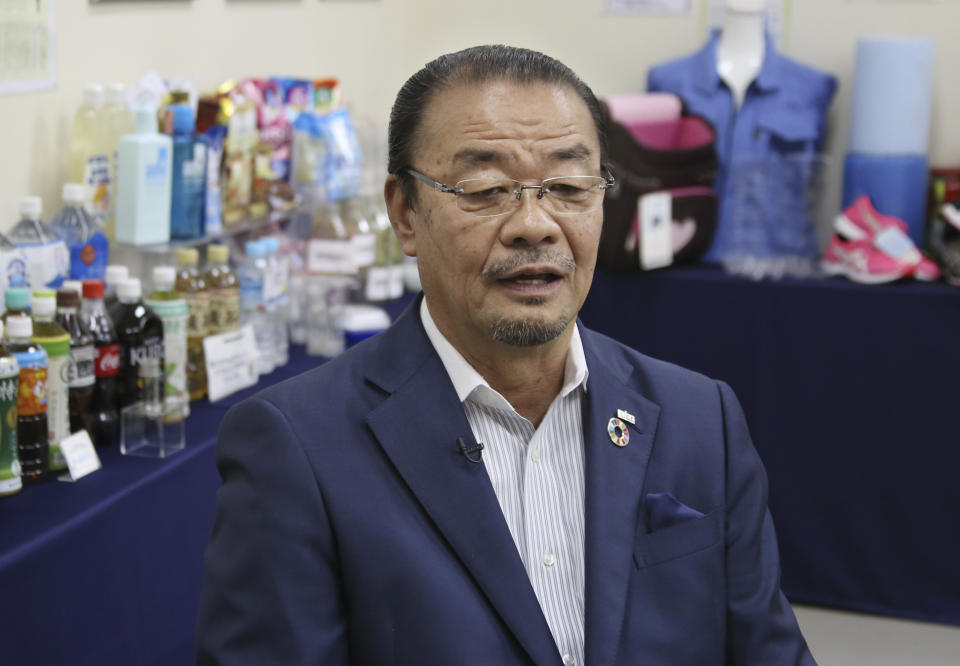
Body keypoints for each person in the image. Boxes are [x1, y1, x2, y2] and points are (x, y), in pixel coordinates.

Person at [196, 45, 815, 665]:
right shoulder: (299, 446)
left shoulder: (700, 418)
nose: (534, 225)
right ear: (405, 213)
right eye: (488, 188)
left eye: (568, 186)